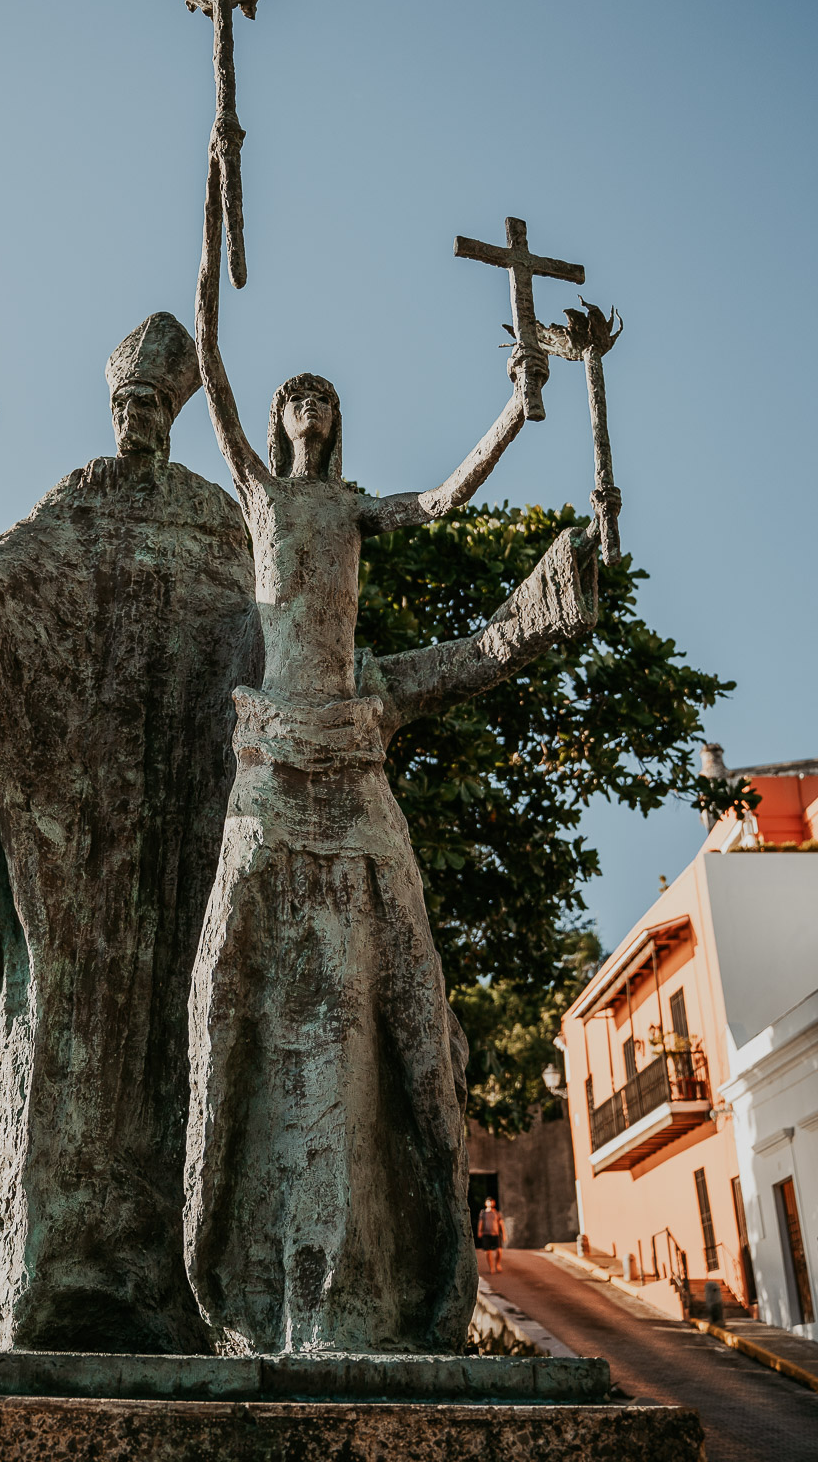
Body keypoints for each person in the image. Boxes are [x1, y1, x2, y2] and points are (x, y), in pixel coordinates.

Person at [183, 219, 600, 1356]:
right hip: (273, 761)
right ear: (277, 423)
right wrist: (215, 190)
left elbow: (443, 502)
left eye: (322, 402)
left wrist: (518, 405)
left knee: (406, 986)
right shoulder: (261, 491)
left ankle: (411, 1277)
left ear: (335, 421)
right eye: (295, 402)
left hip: (351, 762)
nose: (308, 415)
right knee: (232, 981)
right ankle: (226, 1256)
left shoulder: (353, 508)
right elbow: (212, 368)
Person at [0, 313, 259, 1352]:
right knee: (59, 1018)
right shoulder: (78, 499)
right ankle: (56, 1273)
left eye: (150, 407)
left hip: (187, 816)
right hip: (74, 828)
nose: (134, 422)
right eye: (123, 404)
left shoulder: (219, 519)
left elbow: (267, 626)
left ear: (173, 413)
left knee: (186, 1018)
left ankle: (181, 1285)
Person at [476, 1198, 507, 1274]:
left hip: (496, 1234)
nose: (490, 1203)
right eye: (488, 1201)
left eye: (491, 1201)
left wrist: (504, 1234)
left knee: (499, 1251)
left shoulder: (497, 1213)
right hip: (486, 1234)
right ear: (486, 1203)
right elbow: (481, 1223)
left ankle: (497, 1264)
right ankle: (491, 1268)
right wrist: (479, 1231)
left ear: (494, 1203)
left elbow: (501, 1224)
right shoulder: (483, 1213)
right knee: (488, 1252)